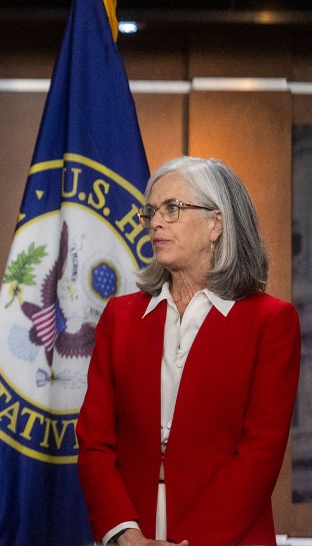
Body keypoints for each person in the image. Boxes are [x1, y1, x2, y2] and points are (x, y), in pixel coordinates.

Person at [77, 156, 300, 545]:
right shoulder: (120, 317)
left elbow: (260, 453)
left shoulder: (271, 321)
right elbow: (95, 441)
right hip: (133, 533)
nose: (156, 223)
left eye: (172, 208)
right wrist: (125, 532)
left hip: (227, 535)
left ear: (216, 223)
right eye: (151, 212)